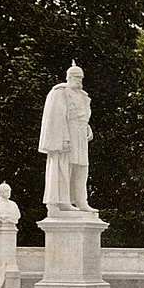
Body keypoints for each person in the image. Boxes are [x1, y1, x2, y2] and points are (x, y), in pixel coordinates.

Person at [38, 61, 97, 216]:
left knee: (81, 167)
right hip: (66, 136)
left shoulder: (83, 96)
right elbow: (56, 117)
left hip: (80, 137)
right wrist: (63, 138)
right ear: (69, 77)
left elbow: (82, 117)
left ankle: (81, 200)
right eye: (76, 77)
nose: (79, 80)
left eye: (81, 77)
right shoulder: (60, 92)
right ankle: (63, 201)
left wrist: (87, 127)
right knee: (64, 167)